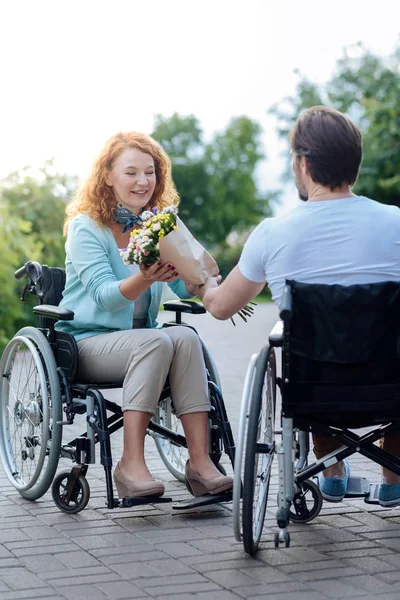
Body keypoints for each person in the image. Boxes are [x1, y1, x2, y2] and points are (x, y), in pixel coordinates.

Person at [198, 105, 400, 506]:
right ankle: (393, 475)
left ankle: (330, 465)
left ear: (303, 164)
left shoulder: (273, 233)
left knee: (299, 349)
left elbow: (220, 308)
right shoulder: (395, 221)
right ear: (354, 165)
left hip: (314, 390)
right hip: (389, 386)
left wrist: (203, 283)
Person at [56, 131, 232, 499]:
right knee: (154, 340)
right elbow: (105, 297)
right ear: (107, 175)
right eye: (131, 172)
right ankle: (130, 465)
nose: (143, 181)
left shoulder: (157, 223)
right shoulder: (87, 228)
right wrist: (143, 277)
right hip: (88, 342)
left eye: (150, 172)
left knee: (184, 337)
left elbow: (184, 285)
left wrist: (208, 282)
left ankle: (200, 463)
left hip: (144, 343)